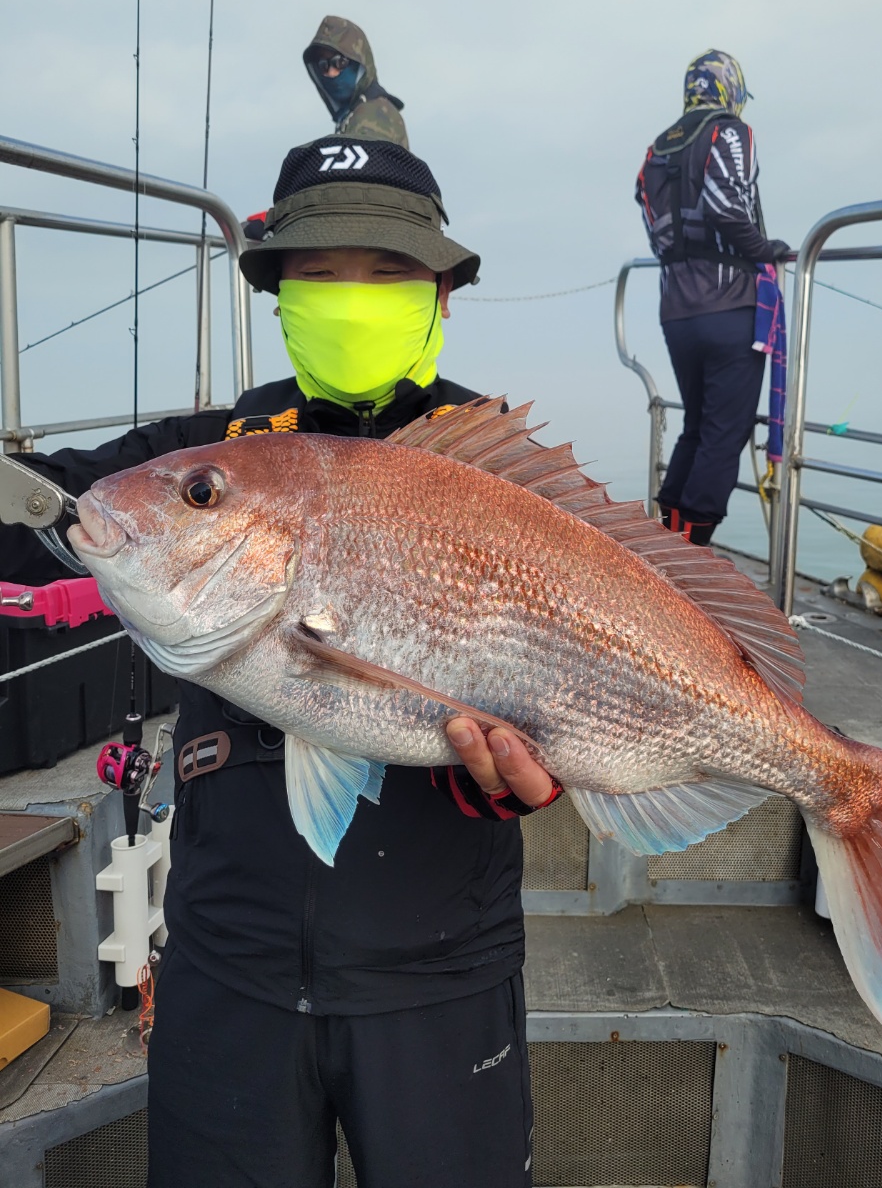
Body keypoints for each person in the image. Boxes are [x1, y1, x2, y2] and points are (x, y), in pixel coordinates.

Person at [1, 136, 558, 1188]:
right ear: (278, 292)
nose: (353, 295)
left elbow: (593, 661)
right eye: (320, 271)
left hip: (443, 970)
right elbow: (44, 503)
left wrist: (546, 765)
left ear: (443, 291)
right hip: (227, 963)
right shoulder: (207, 459)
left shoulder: (509, 482)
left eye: (387, 270)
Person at [635, 50, 789, 545]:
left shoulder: (657, 150)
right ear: (730, 89)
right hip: (729, 307)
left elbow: (656, 229)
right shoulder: (729, 132)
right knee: (724, 434)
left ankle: (665, 547)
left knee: (698, 427)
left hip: (677, 312)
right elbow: (726, 206)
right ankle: (687, 559)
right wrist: (764, 250)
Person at [304, 15, 410, 147]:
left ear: (359, 63)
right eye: (323, 65)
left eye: (340, 62)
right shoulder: (354, 114)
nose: (331, 73)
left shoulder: (372, 114)